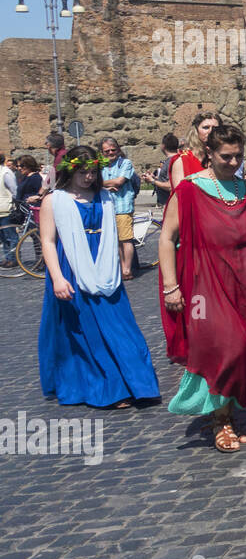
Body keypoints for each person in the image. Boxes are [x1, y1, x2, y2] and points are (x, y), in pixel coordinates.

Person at [158, 124, 246, 452]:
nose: (233, 162)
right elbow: (166, 238)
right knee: (223, 346)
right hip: (202, 285)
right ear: (210, 155)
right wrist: (170, 287)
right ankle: (221, 423)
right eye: (225, 157)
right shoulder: (189, 190)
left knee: (240, 349)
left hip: (242, 283)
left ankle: (224, 412)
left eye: (238, 157)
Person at [37, 146, 161, 408]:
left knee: (122, 328)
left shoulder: (105, 197)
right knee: (86, 332)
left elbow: (112, 236)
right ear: (70, 171)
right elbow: (47, 242)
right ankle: (110, 389)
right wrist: (58, 278)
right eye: (83, 172)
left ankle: (137, 383)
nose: (89, 178)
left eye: (93, 172)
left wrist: (120, 264)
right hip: (70, 268)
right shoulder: (54, 200)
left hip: (105, 271)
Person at [98, 137, 137, 281]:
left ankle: (127, 269)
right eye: (106, 151)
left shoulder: (125, 163)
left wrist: (100, 183)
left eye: (112, 150)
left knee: (126, 239)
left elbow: (119, 181)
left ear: (118, 149)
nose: (110, 153)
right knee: (116, 240)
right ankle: (121, 267)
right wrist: (105, 185)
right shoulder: (101, 166)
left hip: (123, 206)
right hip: (107, 207)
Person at [169, 112, 219, 190]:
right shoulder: (182, 160)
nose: (211, 131)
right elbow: (180, 195)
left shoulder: (224, 159)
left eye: (215, 128)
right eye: (206, 127)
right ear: (196, 130)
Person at [141, 133, 180, 209]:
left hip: (171, 205)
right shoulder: (174, 159)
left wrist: (152, 181)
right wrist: (154, 178)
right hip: (170, 203)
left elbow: (170, 186)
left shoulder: (171, 161)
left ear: (163, 146)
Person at [0, 152, 17, 266]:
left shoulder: (6, 173)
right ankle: (7, 257)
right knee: (3, 237)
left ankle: (13, 258)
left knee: (10, 235)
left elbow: (14, 190)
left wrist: (14, 204)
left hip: (6, 207)